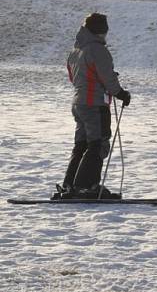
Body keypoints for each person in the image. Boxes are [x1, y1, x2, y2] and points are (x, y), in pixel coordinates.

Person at [53, 13, 131, 199]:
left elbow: (75, 78)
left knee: (81, 145)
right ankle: (86, 187)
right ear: (100, 31)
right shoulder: (97, 50)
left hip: (79, 103)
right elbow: (106, 77)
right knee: (98, 143)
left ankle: (70, 186)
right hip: (94, 104)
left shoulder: (75, 50)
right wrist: (121, 94)